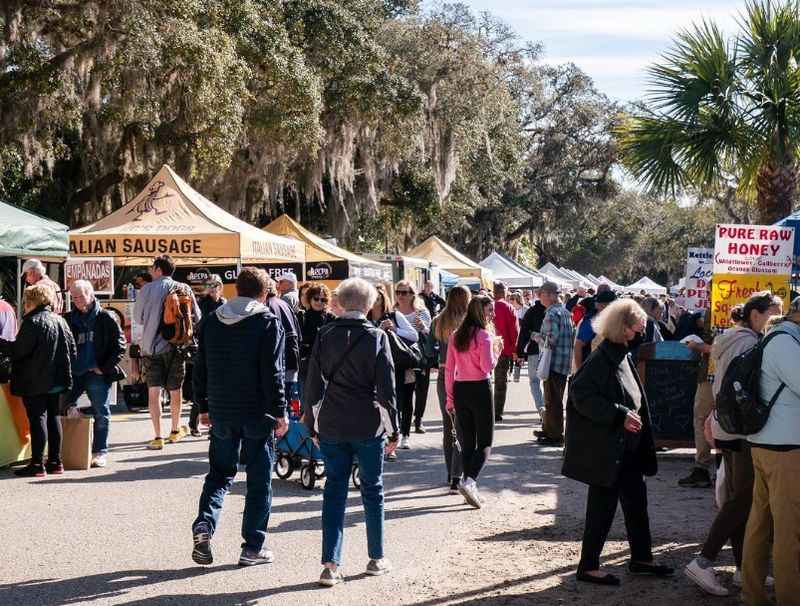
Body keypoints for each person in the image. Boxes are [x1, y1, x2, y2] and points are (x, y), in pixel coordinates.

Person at [563, 299, 673, 586]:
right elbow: (580, 395)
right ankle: (588, 567)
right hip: (609, 449)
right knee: (602, 507)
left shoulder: (621, 354)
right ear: (624, 328)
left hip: (626, 448)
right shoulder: (604, 357)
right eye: (639, 323)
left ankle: (641, 559)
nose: (644, 326)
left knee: (636, 503)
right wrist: (619, 414)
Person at [303, 277, 399, 587]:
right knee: (373, 490)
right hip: (367, 424)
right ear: (369, 305)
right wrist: (393, 429)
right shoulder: (376, 337)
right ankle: (376, 557)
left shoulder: (324, 334)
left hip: (331, 422)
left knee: (334, 491)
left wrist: (311, 424)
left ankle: (330, 564)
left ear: (341, 304)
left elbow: (312, 386)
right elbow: (387, 390)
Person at [190, 267, 288, 568]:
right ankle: (252, 546)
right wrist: (280, 411)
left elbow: (200, 368)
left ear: (235, 289)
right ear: (264, 292)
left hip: (221, 408)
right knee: (259, 481)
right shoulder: (267, 322)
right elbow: (273, 373)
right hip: (257, 411)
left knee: (219, 474)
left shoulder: (211, 321)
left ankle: (204, 525)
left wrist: (202, 406)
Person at [685, 293, 774, 597]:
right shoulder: (749, 342)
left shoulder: (729, 338)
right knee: (742, 500)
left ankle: (743, 568)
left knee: (739, 500)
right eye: (772, 312)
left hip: (727, 427)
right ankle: (704, 560)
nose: (776, 317)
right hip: (741, 430)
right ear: (756, 315)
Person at [741, 297, 800, 606]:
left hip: (770, 444)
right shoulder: (786, 342)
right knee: (788, 531)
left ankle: (753, 595)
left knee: (760, 524)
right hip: (784, 449)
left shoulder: (780, 339)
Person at [0, 285, 75, 477]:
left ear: (32, 300)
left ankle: (37, 464)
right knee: (53, 417)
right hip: (57, 379)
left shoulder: (32, 322)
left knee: (37, 419)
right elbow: (72, 351)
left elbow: (18, 351)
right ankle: (55, 462)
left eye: (26, 301)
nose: (24, 304)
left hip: (35, 380)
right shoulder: (60, 320)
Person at [134, 255, 201, 450]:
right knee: (175, 389)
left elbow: (138, 318)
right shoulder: (184, 288)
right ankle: (174, 430)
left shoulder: (146, 289)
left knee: (154, 391)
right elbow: (197, 316)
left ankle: (157, 436)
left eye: (151, 268)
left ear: (158, 269)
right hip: (177, 346)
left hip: (151, 347)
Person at [64, 280, 126, 468]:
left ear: (91, 294)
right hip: (74, 372)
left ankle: (100, 451)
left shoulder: (106, 317)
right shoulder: (68, 319)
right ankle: (67, 450)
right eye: (74, 297)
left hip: (96, 372)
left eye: (80, 296)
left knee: (101, 412)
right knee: (63, 407)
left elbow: (120, 346)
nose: (77, 300)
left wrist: (104, 368)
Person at [445, 295, 499, 508]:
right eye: (489, 310)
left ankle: (469, 485)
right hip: (479, 388)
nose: (492, 314)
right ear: (480, 312)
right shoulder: (484, 336)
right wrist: (497, 351)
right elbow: (487, 367)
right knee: (485, 442)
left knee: (468, 442)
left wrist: (449, 397)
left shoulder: (456, 336)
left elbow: (449, 369)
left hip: (460, 388)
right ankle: (470, 481)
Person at [368, 284, 417, 459]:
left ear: (383, 299)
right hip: (370, 369)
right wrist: (379, 330)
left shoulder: (395, 316)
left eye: (378, 298)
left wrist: (394, 329)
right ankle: (379, 441)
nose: (375, 301)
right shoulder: (364, 319)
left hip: (395, 367)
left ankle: (394, 442)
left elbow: (414, 336)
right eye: (372, 298)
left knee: (393, 404)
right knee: (375, 406)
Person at [432, 285, 471, 493]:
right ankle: (458, 474)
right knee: (462, 426)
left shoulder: (438, 321)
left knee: (448, 427)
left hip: (442, 373)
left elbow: (430, 350)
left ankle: (450, 472)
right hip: (464, 375)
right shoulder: (468, 323)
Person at [679, 305, 715, 488]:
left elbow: (715, 346)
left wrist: (699, 346)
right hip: (723, 374)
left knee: (701, 419)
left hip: (712, 375)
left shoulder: (717, 309)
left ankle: (702, 467)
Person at [536, 282, 575, 445]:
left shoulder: (551, 314)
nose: (540, 297)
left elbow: (551, 340)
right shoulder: (566, 312)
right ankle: (550, 430)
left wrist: (536, 337)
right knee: (554, 398)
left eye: (542, 294)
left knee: (553, 400)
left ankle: (556, 435)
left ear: (551, 295)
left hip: (552, 362)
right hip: (564, 361)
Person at [189, 275, 226, 437]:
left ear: (220, 286)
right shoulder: (202, 304)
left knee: (217, 391)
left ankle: (214, 427)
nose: (213, 288)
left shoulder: (224, 303)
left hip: (222, 349)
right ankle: (193, 424)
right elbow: (198, 326)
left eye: (216, 285)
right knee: (201, 388)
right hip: (205, 348)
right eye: (210, 285)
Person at [394, 280, 431, 441]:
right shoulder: (393, 312)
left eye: (404, 292)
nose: (400, 296)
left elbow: (430, 335)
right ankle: (404, 426)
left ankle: (419, 419)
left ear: (412, 294)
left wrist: (423, 327)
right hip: (401, 358)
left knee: (421, 389)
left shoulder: (421, 312)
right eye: (398, 292)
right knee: (405, 393)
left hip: (419, 357)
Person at [297, 283, 336, 395]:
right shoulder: (302, 317)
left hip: (326, 367)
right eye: (316, 299)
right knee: (306, 403)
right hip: (307, 367)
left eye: (323, 300)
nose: (319, 302)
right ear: (310, 299)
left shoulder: (331, 318)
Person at [267, 277, 301, 405]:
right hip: (291, 361)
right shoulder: (284, 303)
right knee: (292, 404)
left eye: (281, 282)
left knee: (282, 405)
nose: (279, 285)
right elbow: (298, 334)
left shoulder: (269, 305)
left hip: (280, 365)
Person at [492, 282, 519, 422]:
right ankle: (496, 411)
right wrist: (515, 350)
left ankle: (485, 409)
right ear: (504, 291)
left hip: (486, 348)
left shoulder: (486, 305)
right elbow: (514, 331)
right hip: (503, 349)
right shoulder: (508, 307)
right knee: (500, 381)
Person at [517, 293, 546, 419]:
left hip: (534, 351)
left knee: (534, 382)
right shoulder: (555, 311)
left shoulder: (531, 311)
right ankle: (545, 409)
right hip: (550, 351)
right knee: (548, 382)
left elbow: (523, 332)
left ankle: (541, 409)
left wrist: (520, 353)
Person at [574, 290, 616, 369]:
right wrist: (579, 372)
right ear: (603, 306)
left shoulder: (610, 321)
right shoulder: (591, 322)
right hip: (591, 370)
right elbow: (578, 346)